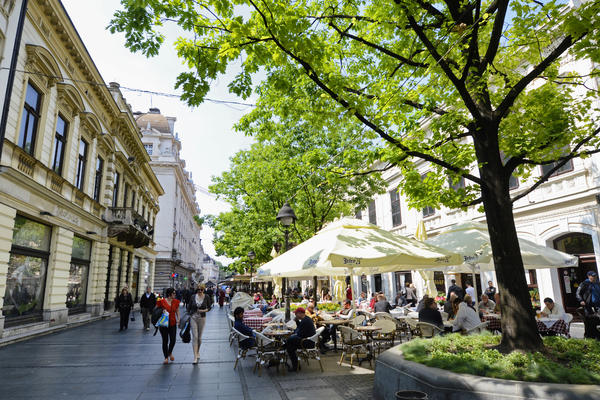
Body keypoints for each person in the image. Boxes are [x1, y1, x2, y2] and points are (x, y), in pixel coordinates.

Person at [284, 307, 316, 372]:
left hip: (307, 342)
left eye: (296, 314)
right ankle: (296, 366)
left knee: (290, 346)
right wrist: (297, 322)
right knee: (289, 344)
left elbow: (299, 333)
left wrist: (292, 335)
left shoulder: (305, 321)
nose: (295, 315)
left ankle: (295, 367)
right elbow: (300, 330)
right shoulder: (306, 319)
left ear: (300, 313)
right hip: (307, 340)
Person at [187, 285, 212, 364]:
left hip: (202, 318)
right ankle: (195, 357)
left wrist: (203, 310)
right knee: (195, 337)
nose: (200, 291)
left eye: (201, 290)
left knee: (199, 338)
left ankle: (197, 351)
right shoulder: (193, 297)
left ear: (203, 290)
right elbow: (189, 307)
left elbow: (209, 307)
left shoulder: (207, 297)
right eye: (198, 290)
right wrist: (190, 314)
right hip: (193, 317)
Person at [157, 287, 180, 364]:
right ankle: (166, 357)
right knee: (165, 340)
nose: (175, 294)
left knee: (173, 340)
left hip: (173, 323)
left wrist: (179, 319)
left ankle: (170, 352)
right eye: (174, 293)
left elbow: (177, 311)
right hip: (164, 324)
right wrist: (162, 311)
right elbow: (157, 310)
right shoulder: (162, 301)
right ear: (170, 294)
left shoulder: (176, 302)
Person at [576, 271, 600, 339]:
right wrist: (581, 300)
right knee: (590, 321)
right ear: (589, 276)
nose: (594, 277)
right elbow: (578, 293)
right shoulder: (584, 284)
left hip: (598, 305)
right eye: (593, 276)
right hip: (588, 305)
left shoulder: (597, 283)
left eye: (595, 276)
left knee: (597, 320)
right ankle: (589, 336)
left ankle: (597, 335)